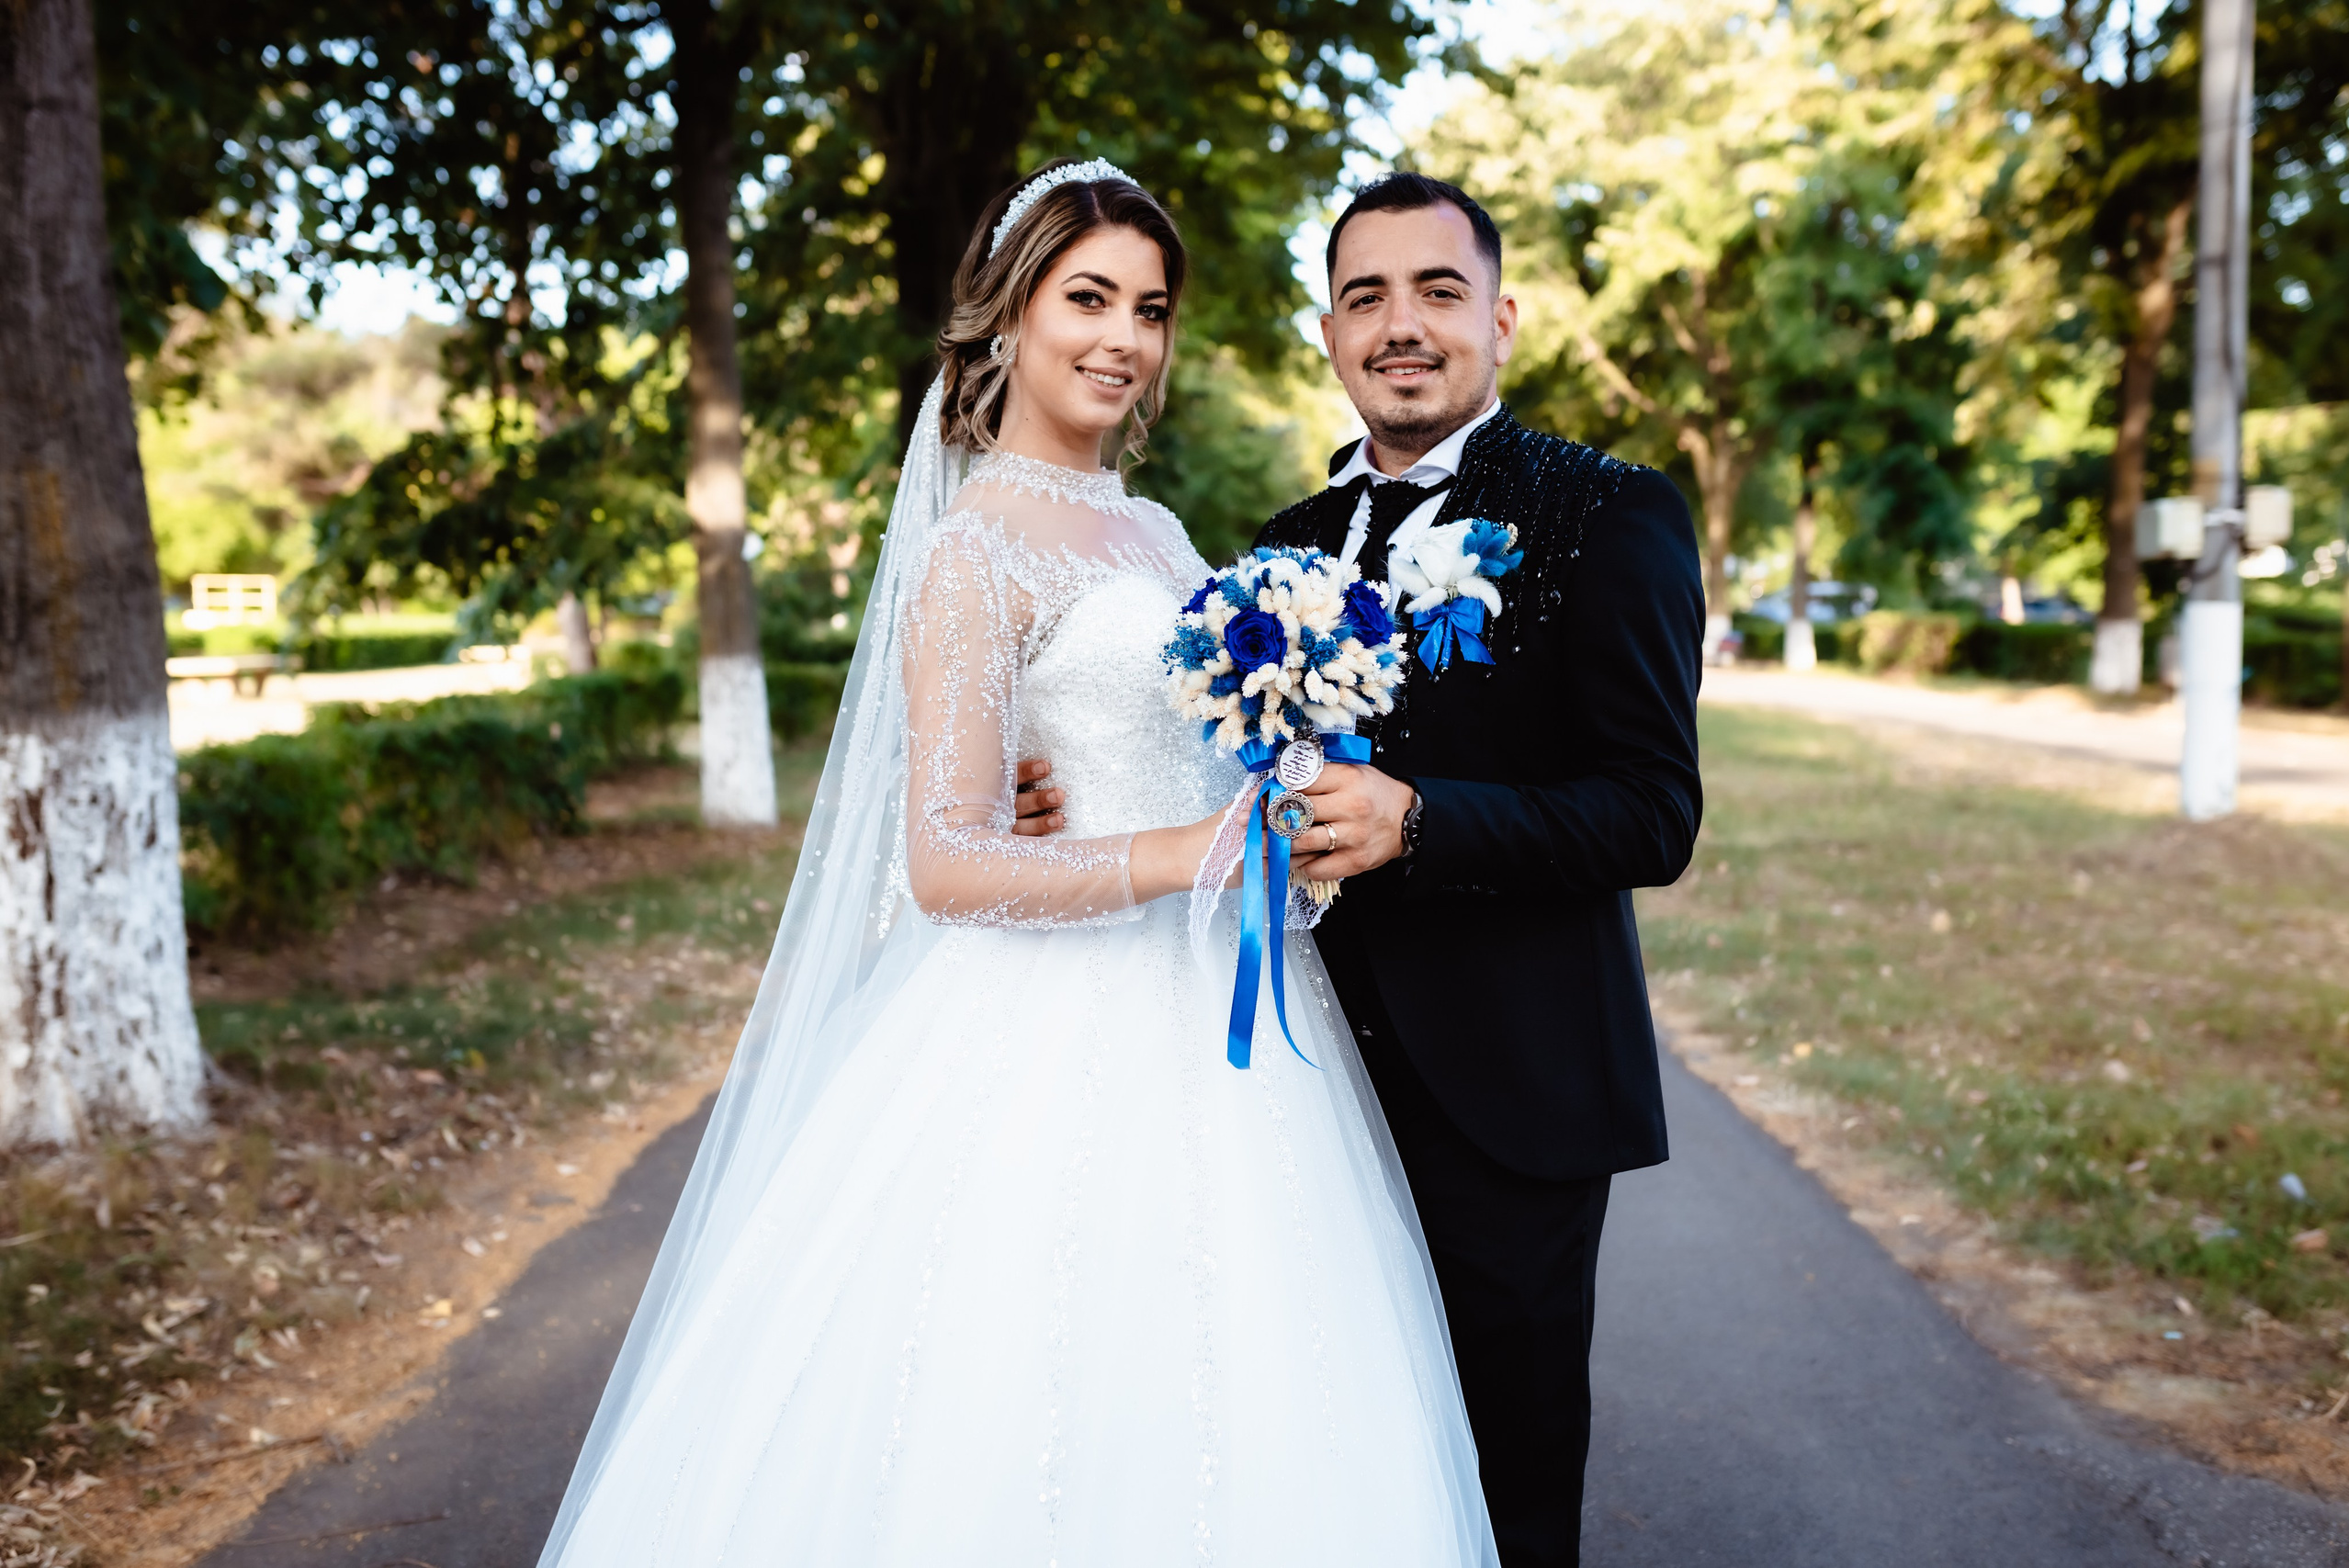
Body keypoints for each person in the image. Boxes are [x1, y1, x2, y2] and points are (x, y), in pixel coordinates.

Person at [535, 160, 1497, 1567]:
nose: (1123, 337)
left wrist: (1281, 804)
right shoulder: (973, 546)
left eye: (1150, 309)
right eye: (1088, 298)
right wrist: (1178, 850)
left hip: (1224, 1025)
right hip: (1054, 1029)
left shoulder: (1159, 532)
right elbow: (945, 862)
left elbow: (1175, 748)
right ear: (1009, 317)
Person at [1256, 173, 1704, 1566]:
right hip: (1303, 1093)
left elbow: (1651, 814)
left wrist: (1424, 821)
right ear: (1328, 334)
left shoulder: (1607, 512)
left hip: (1513, 1100)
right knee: (1331, 1461)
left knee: (1503, 1486)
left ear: (1500, 321)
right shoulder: (1277, 551)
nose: (1402, 324)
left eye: (1437, 292)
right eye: (1366, 296)